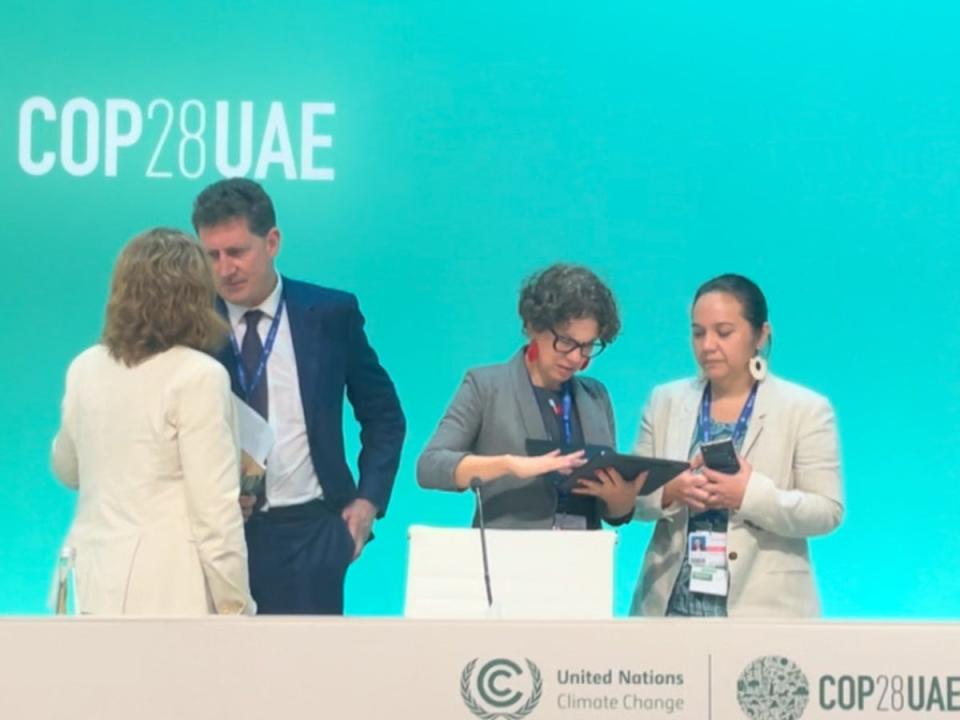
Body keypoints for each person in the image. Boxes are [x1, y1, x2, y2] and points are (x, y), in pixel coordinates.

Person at [192, 178, 405, 615]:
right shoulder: (191, 324)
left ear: (272, 241)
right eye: (211, 255)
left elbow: (384, 416)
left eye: (236, 251)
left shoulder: (329, 314)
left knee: (309, 678)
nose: (224, 268)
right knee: (219, 678)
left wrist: (367, 503)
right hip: (220, 534)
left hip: (312, 533)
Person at [51, 228, 254, 616]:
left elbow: (68, 470)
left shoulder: (85, 367)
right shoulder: (198, 376)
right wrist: (236, 606)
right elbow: (215, 512)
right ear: (195, 296)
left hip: (92, 580)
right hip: (169, 591)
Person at [631, 274, 843, 617]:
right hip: (669, 608)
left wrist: (748, 495)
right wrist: (669, 491)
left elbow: (827, 511)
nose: (707, 345)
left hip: (763, 611)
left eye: (723, 332)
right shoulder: (664, 401)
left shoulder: (805, 409)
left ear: (760, 335)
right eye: (698, 333)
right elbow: (632, 497)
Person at [417, 263, 643, 530]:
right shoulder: (486, 386)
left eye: (587, 346)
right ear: (534, 326)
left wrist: (622, 499)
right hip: (508, 560)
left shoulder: (596, 396)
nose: (575, 357)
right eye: (566, 342)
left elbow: (613, 515)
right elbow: (429, 467)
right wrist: (508, 465)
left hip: (583, 561)